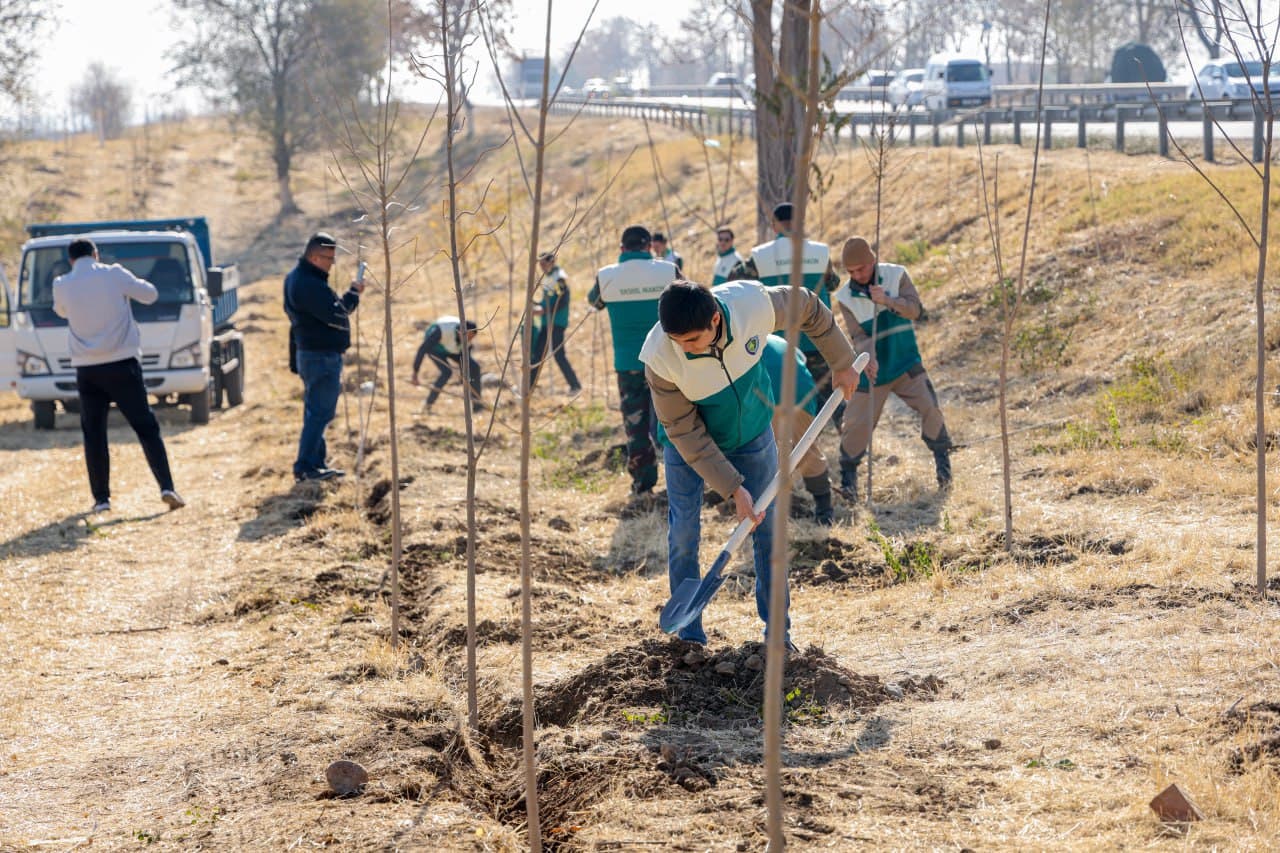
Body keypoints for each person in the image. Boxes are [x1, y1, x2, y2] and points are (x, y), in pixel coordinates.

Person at [641, 279, 858, 647]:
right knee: (683, 535)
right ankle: (689, 638)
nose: (684, 349)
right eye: (677, 340)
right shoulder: (660, 356)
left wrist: (842, 361)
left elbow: (806, 305)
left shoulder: (751, 304)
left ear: (714, 320)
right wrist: (731, 488)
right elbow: (682, 428)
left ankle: (778, 635)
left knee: (769, 532)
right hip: (686, 446)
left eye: (692, 340)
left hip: (753, 433)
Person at [52, 238, 185, 513]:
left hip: (86, 368)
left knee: (94, 433)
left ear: (71, 260)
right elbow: (150, 294)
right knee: (146, 426)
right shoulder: (113, 274)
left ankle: (101, 500)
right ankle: (166, 486)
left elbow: (61, 311)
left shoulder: (61, 284)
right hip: (122, 363)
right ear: (96, 254)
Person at [833, 236, 953, 498]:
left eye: (861, 269)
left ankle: (944, 468)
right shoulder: (844, 297)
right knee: (855, 423)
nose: (857, 275)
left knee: (930, 407)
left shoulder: (896, 275)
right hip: (873, 373)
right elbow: (858, 336)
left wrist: (887, 300)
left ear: (872, 260)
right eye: (851, 271)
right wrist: (869, 356)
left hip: (906, 362)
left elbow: (916, 311)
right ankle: (849, 482)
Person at [729, 202, 842, 420]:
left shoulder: (760, 257)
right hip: (818, 338)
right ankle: (851, 448)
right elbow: (833, 283)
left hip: (781, 343)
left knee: (786, 400)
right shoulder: (819, 252)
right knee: (830, 397)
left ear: (774, 226)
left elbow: (735, 282)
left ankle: (795, 447)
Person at [588, 225, 679, 496]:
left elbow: (594, 302)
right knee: (676, 421)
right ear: (649, 246)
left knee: (635, 426)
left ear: (621, 248)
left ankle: (642, 483)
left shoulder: (606, 277)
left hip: (628, 363)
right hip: (665, 361)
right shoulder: (667, 271)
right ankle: (681, 478)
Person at [283, 232, 365, 482]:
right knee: (320, 413)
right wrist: (353, 293)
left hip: (313, 355)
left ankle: (316, 463)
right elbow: (338, 316)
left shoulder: (299, 278)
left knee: (316, 412)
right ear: (315, 257)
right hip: (320, 357)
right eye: (329, 258)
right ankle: (306, 466)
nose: (332, 263)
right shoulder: (308, 284)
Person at [759, 334, 834, 525]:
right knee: (807, 448)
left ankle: (771, 508)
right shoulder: (779, 341)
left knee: (760, 452)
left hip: (767, 391)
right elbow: (802, 361)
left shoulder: (742, 340)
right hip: (801, 388)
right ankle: (824, 509)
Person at [529, 251, 581, 394]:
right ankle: (528, 386)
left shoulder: (559, 278)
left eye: (544, 264)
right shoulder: (548, 277)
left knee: (558, 355)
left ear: (551, 262)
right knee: (537, 354)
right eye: (540, 264)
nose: (541, 267)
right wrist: (536, 305)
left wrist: (543, 310)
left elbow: (562, 301)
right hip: (546, 322)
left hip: (557, 322)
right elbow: (548, 299)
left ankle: (575, 385)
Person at [411, 316, 484, 411]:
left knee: (475, 367)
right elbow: (422, 349)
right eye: (468, 336)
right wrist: (415, 373)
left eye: (471, 338)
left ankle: (477, 405)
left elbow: (465, 360)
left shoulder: (468, 340)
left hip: (453, 349)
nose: (469, 340)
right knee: (447, 372)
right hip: (435, 349)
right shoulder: (442, 330)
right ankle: (428, 404)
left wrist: (464, 378)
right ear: (460, 332)